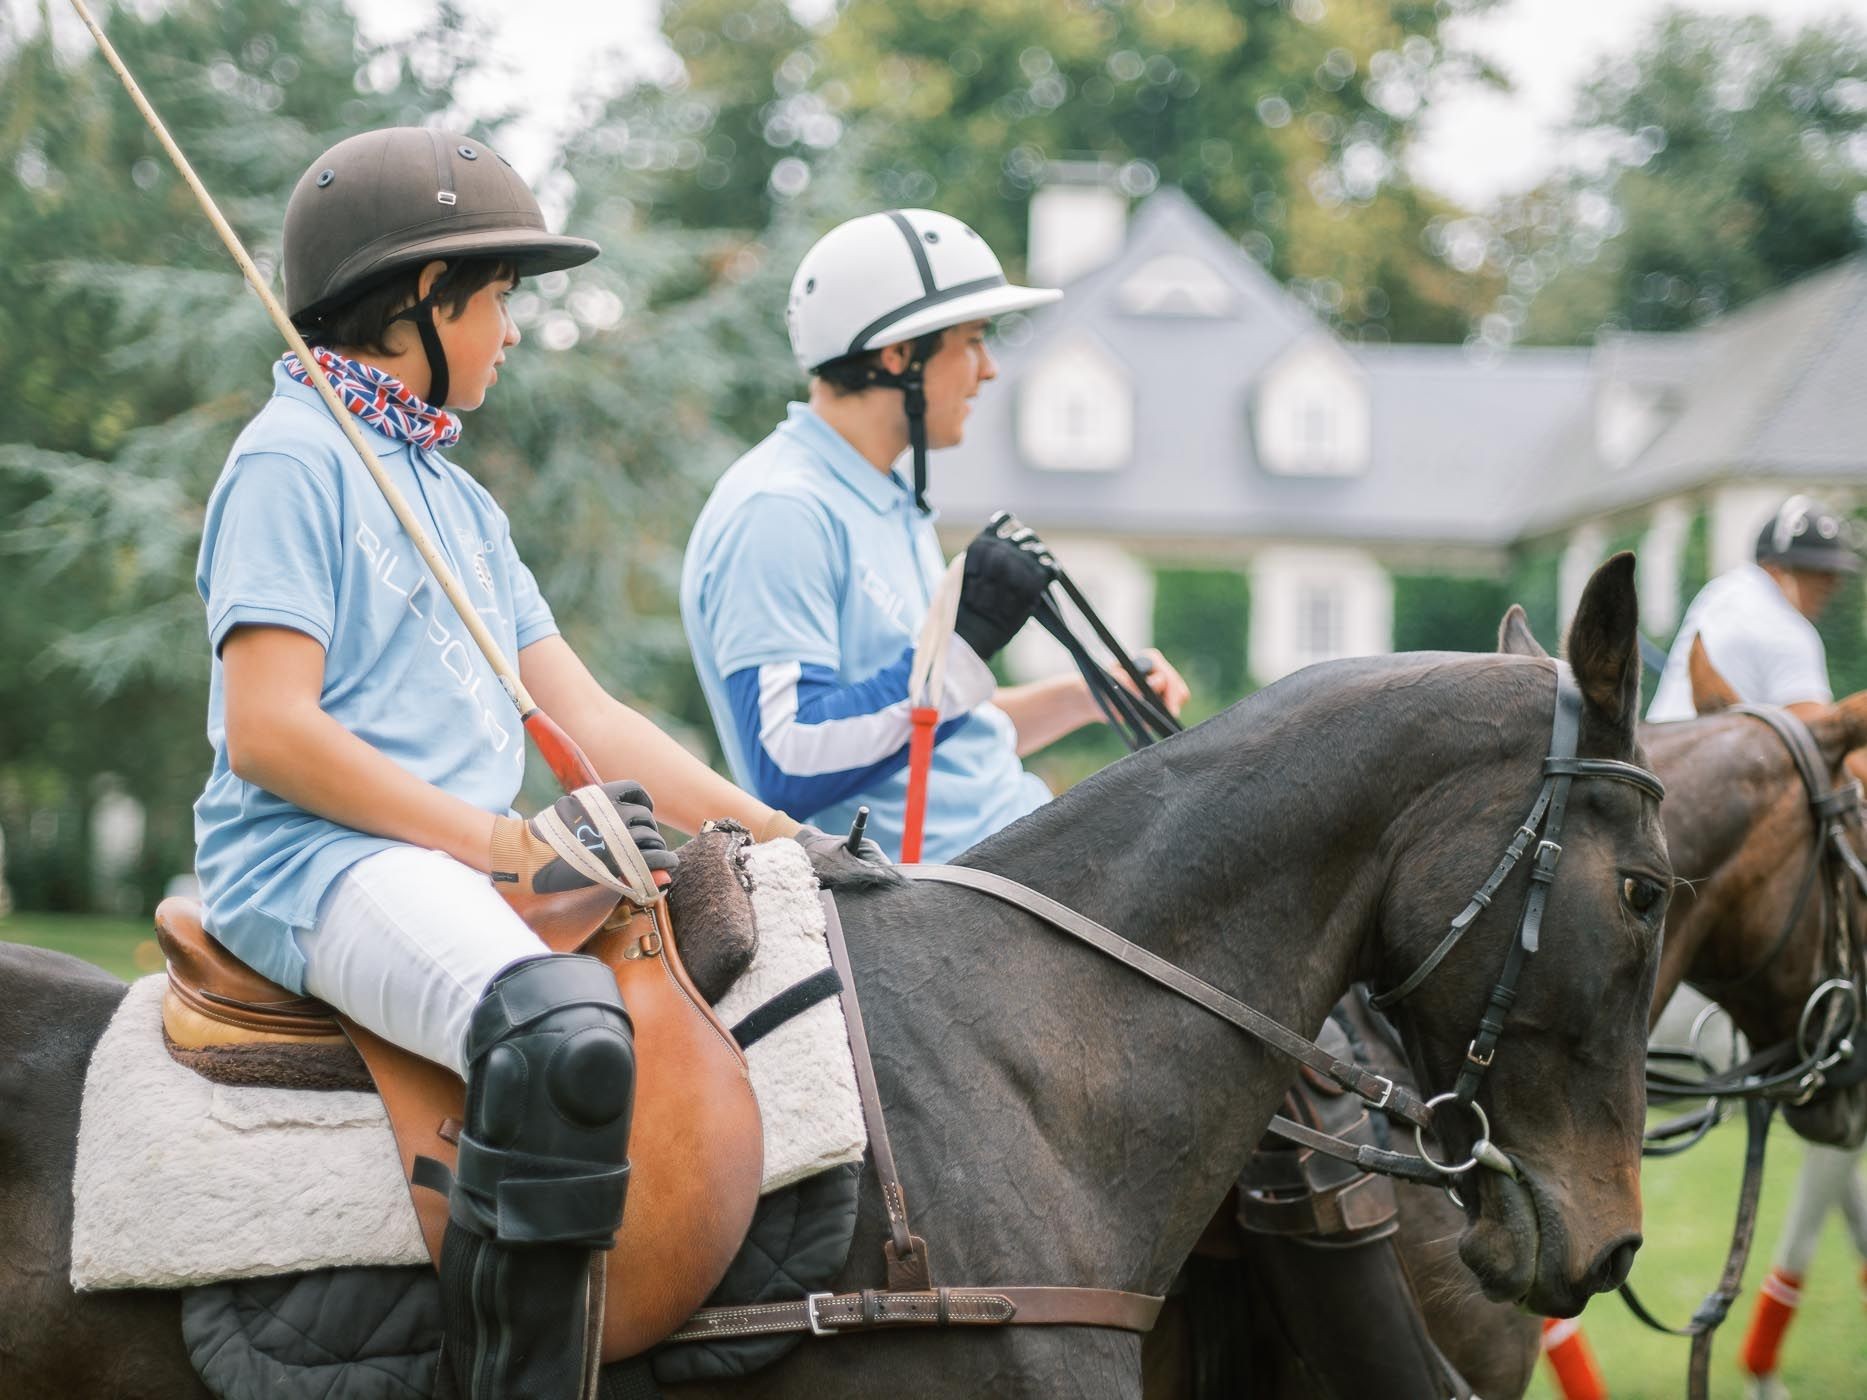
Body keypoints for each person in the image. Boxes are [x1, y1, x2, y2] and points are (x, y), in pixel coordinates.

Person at [193, 127, 866, 1400]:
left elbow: (592, 718)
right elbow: (269, 728)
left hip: (434, 864)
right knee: (560, 1030)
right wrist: (506, 840)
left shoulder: (456, 499)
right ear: (418, 299)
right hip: (312, 864)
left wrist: (788, 840)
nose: (512, 328)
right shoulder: (290, 459)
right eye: (497, 295)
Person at [680, 208, 1188, 862]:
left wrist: (1089, 693)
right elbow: (789, 762)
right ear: (899, 354)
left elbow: (940, 733)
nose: (988, 369)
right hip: (948, 905)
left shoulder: (885, 497)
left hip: (1011, 850)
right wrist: (963, 651)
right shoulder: (781, 510)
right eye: (972, 340)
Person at [1643, 496, 1866, 1400]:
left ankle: (1764, 1362)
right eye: (1819, 575)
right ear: (1787, 570)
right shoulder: (1783, 634)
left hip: (1656, 807)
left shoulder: (1721, 596)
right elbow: (1833, 759)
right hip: (1724, 849)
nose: (1826, 590)